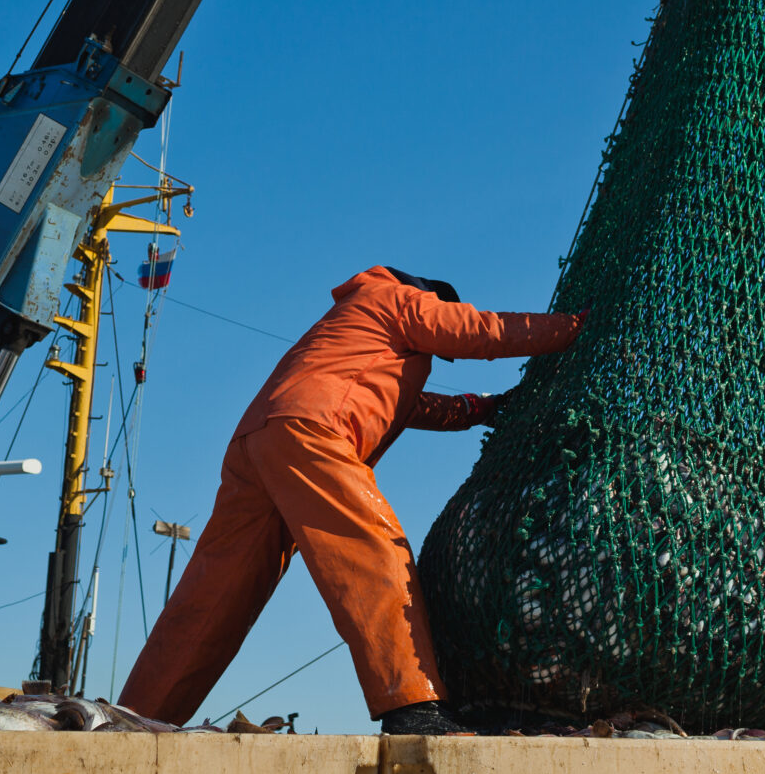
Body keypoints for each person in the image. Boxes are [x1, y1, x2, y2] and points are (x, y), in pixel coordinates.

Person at [116, 266, 586, 735]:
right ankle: (412, 705)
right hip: (312, 430)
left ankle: (134, 718)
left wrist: (475, 409)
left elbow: (408, 404)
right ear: (433, 298)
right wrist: (574, 328)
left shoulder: (354, 323)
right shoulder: (399, 299)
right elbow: (479, 331)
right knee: (375, 552)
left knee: (213, 595)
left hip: (257, 441)